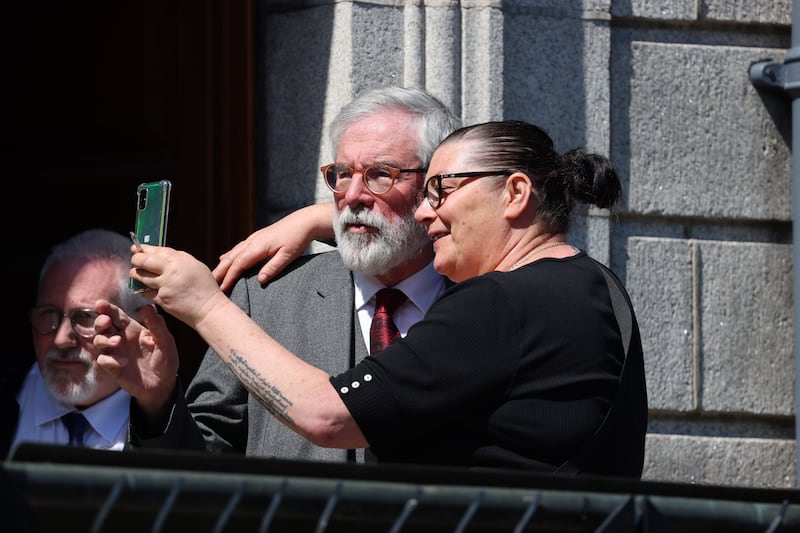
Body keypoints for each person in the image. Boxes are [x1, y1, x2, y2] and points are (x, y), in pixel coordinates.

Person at [118, 119, 648, 476]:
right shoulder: (599, 288)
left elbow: (328, 416)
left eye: (440, 191)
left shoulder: (497, 302)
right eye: (341, 177)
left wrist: (206, 306)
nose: (424, 210)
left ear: (514, 193)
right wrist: (332, 220)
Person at [96, 86, 461, 462]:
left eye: (380, 175)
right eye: (341, 173)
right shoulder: (267, 297)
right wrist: (157, 402)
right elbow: (207, 458)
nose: (352, 195)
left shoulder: (487, 295)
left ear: (434, 186)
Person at [9, 228, 176, 455]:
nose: (61, 340)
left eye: (86, 318)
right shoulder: (10, 397)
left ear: (141, 325)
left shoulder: (170, 421)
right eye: (48, 315)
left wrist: (158, 408)